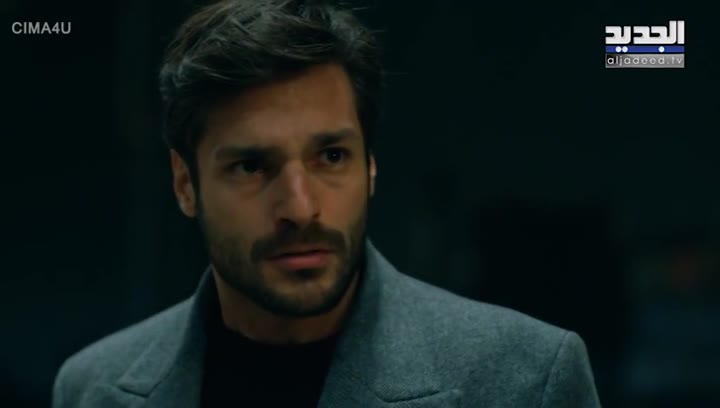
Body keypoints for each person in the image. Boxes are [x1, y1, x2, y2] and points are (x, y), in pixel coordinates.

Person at [52, 0, 602, 407]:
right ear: (184, 184)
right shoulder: (91, 387)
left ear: (370, 165)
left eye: (332, 156)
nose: (300, 208)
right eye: (252, 166)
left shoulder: (527, 378)